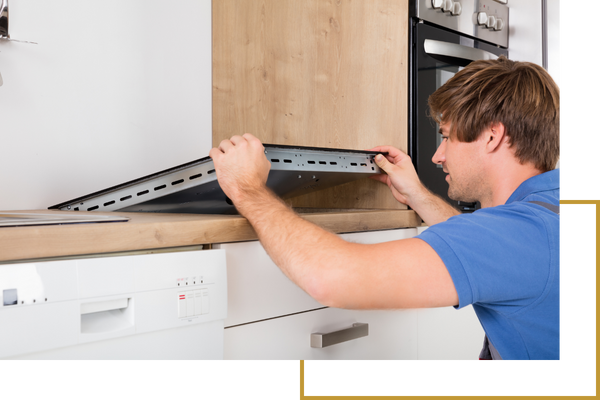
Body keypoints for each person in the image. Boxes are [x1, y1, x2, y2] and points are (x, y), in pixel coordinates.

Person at [209, 56, 563, 363]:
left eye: (447, 136)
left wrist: (247, 189)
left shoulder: (517, 235)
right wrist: (418, 196)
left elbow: (334, 278)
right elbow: (493, 255)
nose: (438, 156)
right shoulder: (550, 213)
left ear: (492, 136)